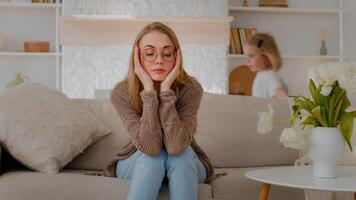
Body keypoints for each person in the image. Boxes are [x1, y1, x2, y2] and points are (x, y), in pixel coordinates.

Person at [104, 22, 214, 200]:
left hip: (184, 159)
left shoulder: (191, 88)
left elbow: (176, 146)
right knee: (153, 159)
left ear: (176, 56)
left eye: (167, 53)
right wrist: (148, 91)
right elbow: (151, 148)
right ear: (137, 56)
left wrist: (166, 92)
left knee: (181, 157)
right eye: (149, 53)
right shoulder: (121, 92)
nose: (159, 60)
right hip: (137, 159)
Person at [244, 33, 288, 97]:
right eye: (246, 56)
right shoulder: (261, 74)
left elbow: (282, 95)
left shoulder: (269, 75)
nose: (247, 60)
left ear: (265, 56)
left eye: (251, 56)